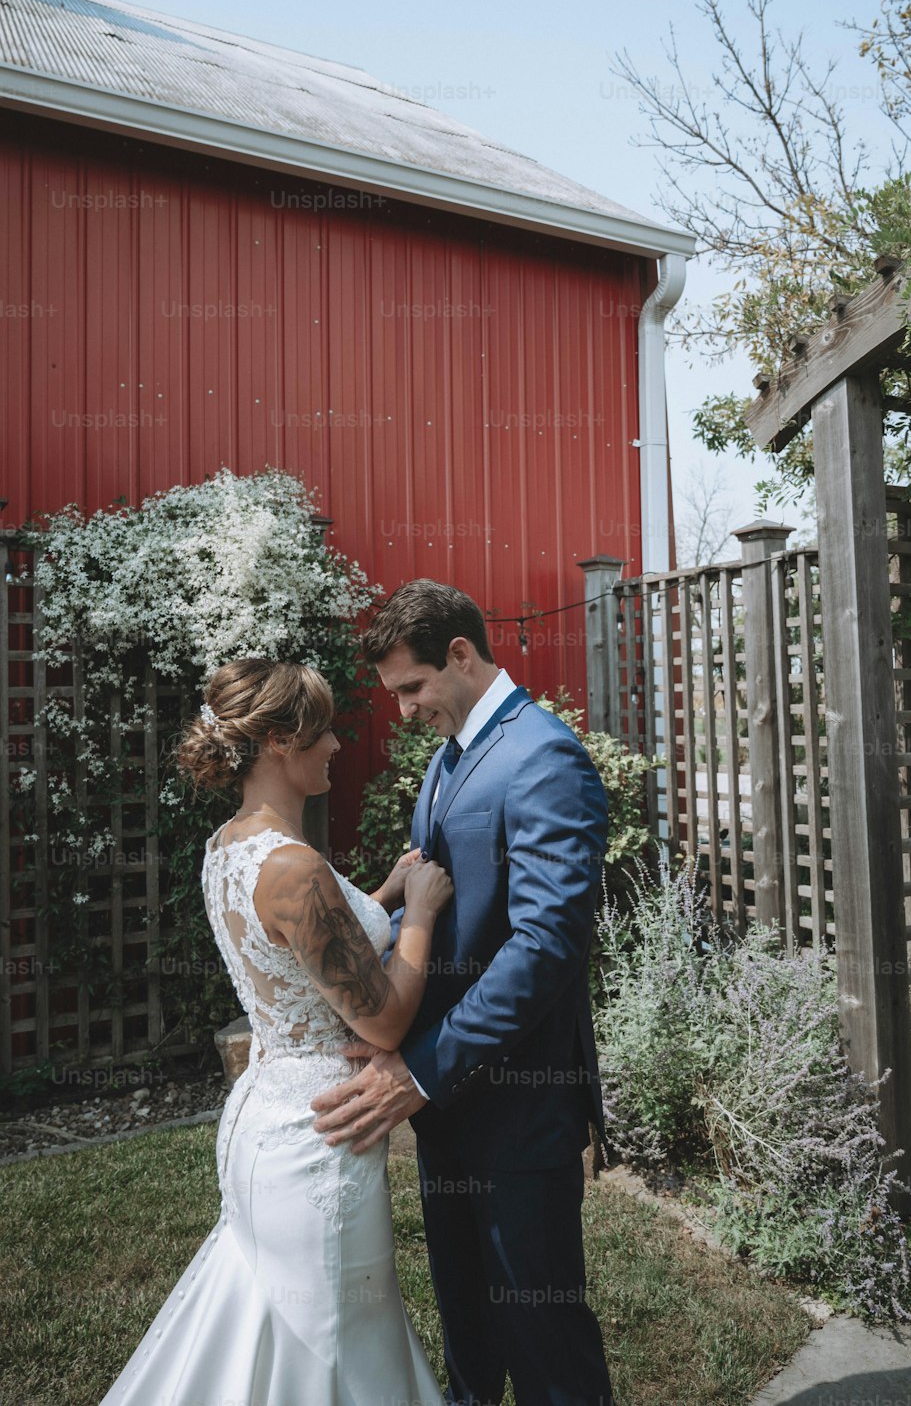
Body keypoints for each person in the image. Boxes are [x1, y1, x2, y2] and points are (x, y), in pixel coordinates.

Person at [99, 658, 451, 1406]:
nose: (335, 745)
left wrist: (378, 893)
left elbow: (294, 951)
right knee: (334, 1350)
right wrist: (418, 911)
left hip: (263, 1114)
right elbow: (384, 1015)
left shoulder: (230, 845)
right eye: (322, 731)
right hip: (318, 1140)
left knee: (266, 1326)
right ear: (278, 743)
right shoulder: (293, 869)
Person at [311, 581, 616, 1406]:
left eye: (412, 688)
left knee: (547, 1348)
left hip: (517, 1110)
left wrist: (419, 1070)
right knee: (469, 1338)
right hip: (446, 1102)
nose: (404, 711)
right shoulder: (450, 757)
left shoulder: (544, 757)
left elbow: (545, 947)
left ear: (461, 653)